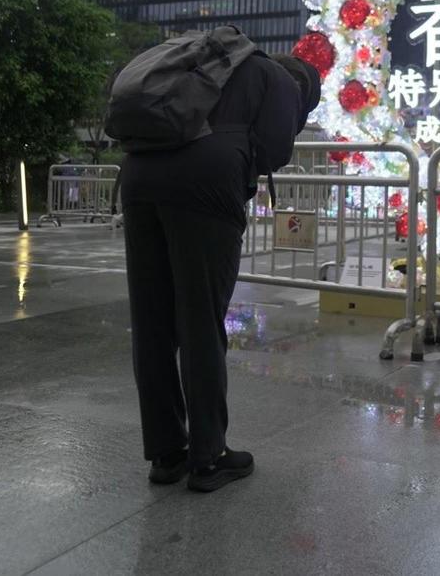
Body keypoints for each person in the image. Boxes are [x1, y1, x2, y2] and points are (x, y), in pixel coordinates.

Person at [121, 50, 319, 493]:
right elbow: (274, 152)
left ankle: (166, 454)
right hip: (205, 183)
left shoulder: (217, 65)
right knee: (201, 321)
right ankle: (208, 458)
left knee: (151, 324)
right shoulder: (280, 81)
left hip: (137, 175)